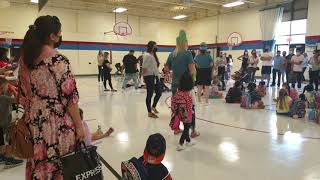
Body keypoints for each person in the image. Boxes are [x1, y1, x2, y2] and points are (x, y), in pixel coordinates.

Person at [19, 15, 84, 179]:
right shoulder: (58, 60)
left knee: (40, 163)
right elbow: (70, 99)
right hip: (56, 124)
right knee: (61, 165)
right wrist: (79, 126)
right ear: (52, 36)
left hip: (34, 122)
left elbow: (22, 96)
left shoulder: (25, 60)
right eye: (59, 33)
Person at [0, 77, 23, 169]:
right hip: (3, 124)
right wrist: (14, 91)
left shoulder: (3, 96)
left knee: (2, 142)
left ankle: (2, 156)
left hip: (2, 123)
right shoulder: (3, 98)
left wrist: (9, 87)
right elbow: (17, 100)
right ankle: (9, 159)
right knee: (6, 142)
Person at [166, 30, 196, 95]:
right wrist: (192, 80)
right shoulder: (188, 53)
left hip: (174, 83)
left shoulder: (172, 54)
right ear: (185, 43)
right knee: (185, 102)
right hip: (185, 84)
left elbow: (166, 68)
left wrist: (171, 73)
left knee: (175, 102)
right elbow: (192, 70)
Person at [171, 72, 195, 151]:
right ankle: (180, 144)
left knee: (186, 127)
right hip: (185, 115)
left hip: (182, 114)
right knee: (186, 128)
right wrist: (186, 118)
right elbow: (182, 109)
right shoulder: (184, 95)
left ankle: (188, 141)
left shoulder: (179, 93)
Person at [142, 41, 162, 118]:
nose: (156, 47)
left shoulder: (153, 55)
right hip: (149, 76)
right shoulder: (147, 55)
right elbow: (144, 67)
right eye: (155, 46)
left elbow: (155, 66)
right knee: (149, 94)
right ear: (151, 46)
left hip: (155, 76)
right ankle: (149, 112)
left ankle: (153, 106)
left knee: (159, 92)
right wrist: (144, 77)